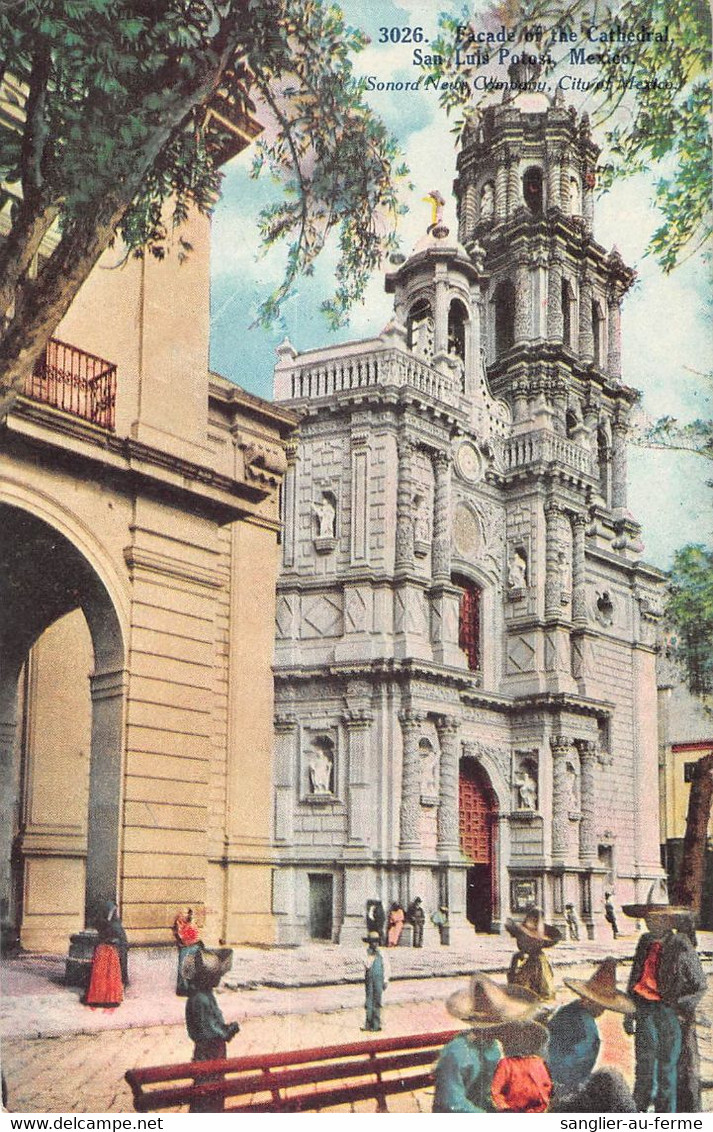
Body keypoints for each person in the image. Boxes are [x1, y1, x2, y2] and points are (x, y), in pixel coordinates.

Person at [623, 892, 707, 1113]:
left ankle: (665, 1118)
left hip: (668, 1012)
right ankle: (637, 1113)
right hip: (643, 1010)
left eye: (657, 918)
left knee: (666, 1070)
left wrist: (680, 1009)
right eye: (648, 918)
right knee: (644, 1067)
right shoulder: (644, 942)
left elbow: (699, 985)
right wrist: (629, 1012)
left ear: (669, 921)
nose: (651, 923)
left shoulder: (680, 944)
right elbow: (635, 977)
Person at [433, 974, 538, 1112]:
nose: (509, 1028)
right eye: (506, 1024)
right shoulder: (457, 1052)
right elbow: (450, 1103)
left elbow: (489, 1092)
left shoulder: (492, 1046)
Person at [546, 956, 637, 1112]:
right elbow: (574, 1068)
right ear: (589, 1001)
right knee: (612, 1079)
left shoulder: (567, 1011)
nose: (602, 1011)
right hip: (563, 1091)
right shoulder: (588, 1030)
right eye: (601, 1006)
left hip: (551, 1080)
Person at [183, 948, 240, 1112]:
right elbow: (208, 1030)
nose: (219, 978)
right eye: (216, 975)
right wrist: (227, 1032)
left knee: (214, 1088)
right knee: (207, 1088)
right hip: (209, 1051)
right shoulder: (200, 999)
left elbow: (212, 1023)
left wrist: (225, 1029)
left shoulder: (205, 995)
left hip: (213, 1051)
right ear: (206, 978)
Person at [491, 1019, 552, 1113]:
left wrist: (541, 1107)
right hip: (511, 1110)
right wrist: (505, 1107)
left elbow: (546, 1085)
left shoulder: (538, 1062)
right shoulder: (506, 1063)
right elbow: (496, 1090)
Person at [506, 907, 562, 1001]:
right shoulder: (524, 931)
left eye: (535, 918)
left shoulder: (538, 934)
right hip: (530, 960)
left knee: (542, 987)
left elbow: (535, 943)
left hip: (538, 961)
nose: (532, 920)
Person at [85, 900, 128, 1007]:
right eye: (113, 911)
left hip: (106, 952)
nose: (114, 913)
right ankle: (106, 998)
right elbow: (120, 939)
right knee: (107, 975)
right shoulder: (109, 923)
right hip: (108, 952)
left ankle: (104, 998)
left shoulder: (107, 922)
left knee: (105, 976)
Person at [362, 931, 390, 1032]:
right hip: (369, 980)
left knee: (377, 1001)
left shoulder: (382, 953)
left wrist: (386, 980)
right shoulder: (366, 953)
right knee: (369, 1000)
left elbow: (386, 966)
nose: (375, 944)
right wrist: (371, 956)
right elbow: (367, 966)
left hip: (379, 979)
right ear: (369, 942)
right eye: (373, 942)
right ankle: (368, 1024)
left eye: (376, 941)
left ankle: (376, 1024)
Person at [173, 907, 203, 996]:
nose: (183, 915)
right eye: (181, 913)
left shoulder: (192, 924)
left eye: (185, 913)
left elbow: (196, 936)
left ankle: (191, 988)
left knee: (192, 968)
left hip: (194, 947)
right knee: (182, 968)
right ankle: (182, 989)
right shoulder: (179, 923)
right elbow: (181, 937)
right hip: (184, 947)